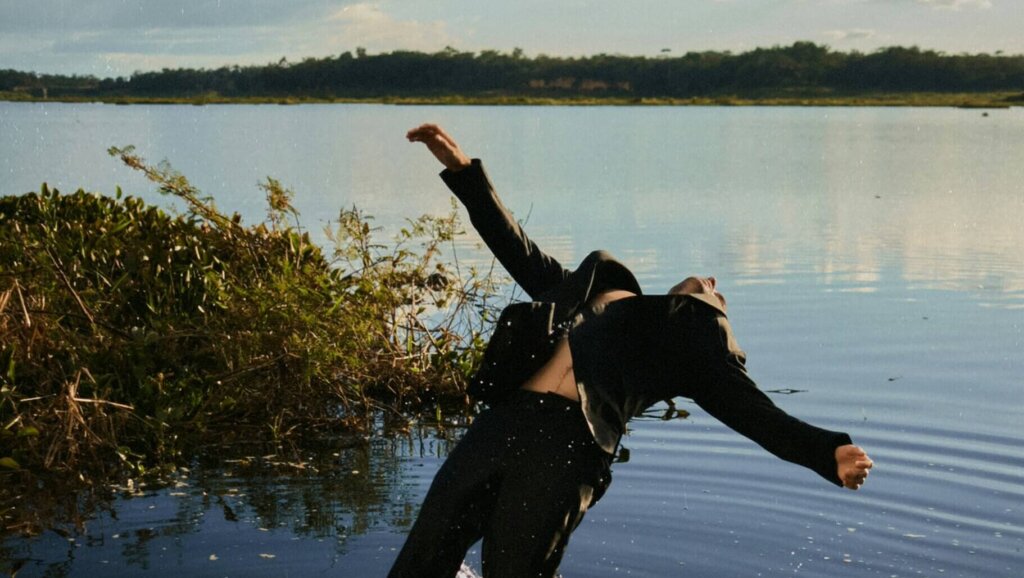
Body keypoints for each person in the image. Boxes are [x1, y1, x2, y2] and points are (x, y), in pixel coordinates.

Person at [389, 124, 874, 578]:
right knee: (421, 561)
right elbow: (518, 248)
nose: (713, 284)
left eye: (718, 296)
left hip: (565, 447)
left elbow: (754, 414)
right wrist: (461, 170)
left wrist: (826, 452)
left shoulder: (693, 343)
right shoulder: (591, 287)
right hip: (504, 423)